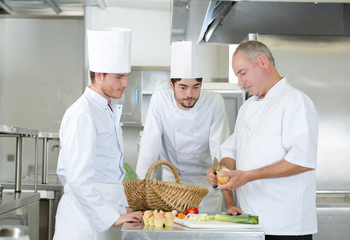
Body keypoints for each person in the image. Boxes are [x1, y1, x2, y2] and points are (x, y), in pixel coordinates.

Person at [206, 40, 318, 239]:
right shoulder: (247, 108)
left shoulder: (294, 101)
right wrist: (222, 170)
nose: (240, 82)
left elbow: (302, 161)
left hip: (286, 226)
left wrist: (248, 175)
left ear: (262, 61)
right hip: (251, 223)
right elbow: (231, 151)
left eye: (242, 73)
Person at [53, 28, 142, 240]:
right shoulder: (82, 113)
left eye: (127, 77)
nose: (126, 84)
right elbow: (77, 179)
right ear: (99, 75)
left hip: (104, 218)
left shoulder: (106, 109)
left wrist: (122, 208)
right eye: (119, 77)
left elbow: (109, 172)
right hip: (82, 225)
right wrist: (112, 216)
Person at [136, 41, 231, 213]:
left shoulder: (214, 102)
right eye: (183, 87)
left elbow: (222, 152)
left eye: (196, 87)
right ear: (171, 85)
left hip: (206, 187)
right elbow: (148, 151)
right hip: (172, 187)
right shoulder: (160, 101)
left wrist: (228, 199)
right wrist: (139, 201)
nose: (189, 94)